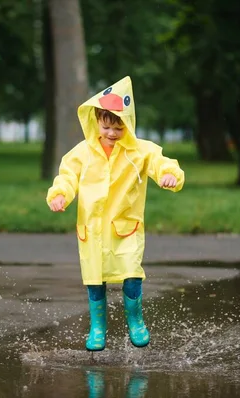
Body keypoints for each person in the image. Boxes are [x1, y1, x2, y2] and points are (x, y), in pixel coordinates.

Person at [46, 76, 185, 351]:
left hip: (125, 227)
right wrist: (60, 194)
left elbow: (162, 163)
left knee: (131, 273)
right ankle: (98, 327)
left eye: (118, 128)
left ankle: (136, 321)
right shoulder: (82, 152)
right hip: (93, 228)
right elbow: (68, 176)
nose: (111, 133)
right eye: (106, 126)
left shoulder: (140, 151)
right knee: (94, 278)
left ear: (128, 123)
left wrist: (169, 175)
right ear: (97, 121)